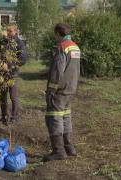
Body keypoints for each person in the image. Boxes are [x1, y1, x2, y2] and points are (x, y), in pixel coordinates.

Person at [42, 23, 81, 162]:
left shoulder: (62, 47)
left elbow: (58, 70)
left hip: (60, 89)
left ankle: (58, 151)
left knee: (54, 117)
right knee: (66, 117)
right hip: (71, 88)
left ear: (58, 34)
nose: (54, 37)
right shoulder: (75, 46)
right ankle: (69, 148)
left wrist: (51, 89)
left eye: (55, 34)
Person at [0, 23, 28, 125]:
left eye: (10, 31)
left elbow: (23, 59)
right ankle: (3, 117)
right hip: (2, 74)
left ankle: (14, 118)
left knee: (13, 96)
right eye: (7, 30)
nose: (8, 33)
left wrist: (10, 66)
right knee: (2, 96)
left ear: (15, 31)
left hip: (12, 74)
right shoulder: (3, 41)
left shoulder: (19, 43)